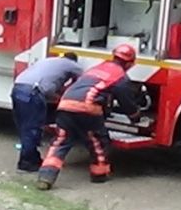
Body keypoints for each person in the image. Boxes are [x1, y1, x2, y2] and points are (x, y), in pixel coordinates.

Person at [37, 45, 141, 190]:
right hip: (87, 108)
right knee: (97, 141)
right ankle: (99, 175)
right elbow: (126, 101)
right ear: (130, 63)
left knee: (60, 142)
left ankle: (46, 176)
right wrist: (135, 116)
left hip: (65, 105)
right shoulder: (120, 76)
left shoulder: (96, 68)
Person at [11, 52, 82, 172]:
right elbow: (86, 77)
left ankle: (32, 158)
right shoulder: (70, 64)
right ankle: (27, 163)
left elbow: (50, 84)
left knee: (25, 127)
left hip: (18, 89)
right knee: (32, 129)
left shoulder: (48, 61)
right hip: (32, 92)